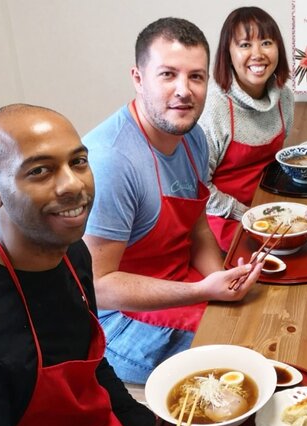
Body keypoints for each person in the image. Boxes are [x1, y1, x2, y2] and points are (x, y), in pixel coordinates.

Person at [0, 104, 189, 426]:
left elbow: (95, 369)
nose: (72, 184)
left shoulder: (73, 254)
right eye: (40, 171)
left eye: (78, 162)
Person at [83, 17, 262, 384]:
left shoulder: (192, 137)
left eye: (196, 77)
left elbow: (196, 226)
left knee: (264, 321)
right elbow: (98, 285)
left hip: (182, 283)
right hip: (118, 318)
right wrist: (200, 290)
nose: (184, 90)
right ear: (138, 77)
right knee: (245, 366)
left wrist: (221, 279)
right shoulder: (111, 160)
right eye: (168, 75)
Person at [199, 6, 294, 251]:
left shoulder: (284, 97)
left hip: (268, 205)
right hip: (221, 218)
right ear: (227, 53)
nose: (257, 54)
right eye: (244, 45)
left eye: (266, 42)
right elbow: (199, 188)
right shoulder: (214, 107)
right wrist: (246, 214)